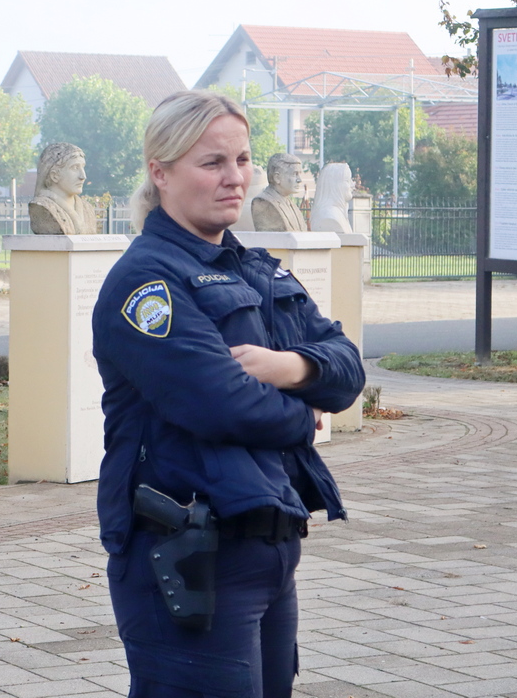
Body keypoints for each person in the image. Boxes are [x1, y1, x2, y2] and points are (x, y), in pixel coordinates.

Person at [92, 90, 364, 698]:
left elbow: (347, 368)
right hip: (188, 556)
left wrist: (289, 365)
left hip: (269, 550)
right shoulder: (146, 282)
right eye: (212, 162)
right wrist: (306, 415)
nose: (234, 177)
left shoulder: (256, 269)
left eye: (242, 160)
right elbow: (221, 404)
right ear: (161, 173)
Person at [28, 142, 100, 234]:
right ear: (54, 176)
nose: (83, 176)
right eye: (75, 168)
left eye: (83, 167)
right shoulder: (41, 207)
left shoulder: (87, 208)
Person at [251, 153, 308, 232]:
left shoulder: (290, 203)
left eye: (299, 174)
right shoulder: (262, 202)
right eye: (295, 174)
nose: (299, 180)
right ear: (277, 178)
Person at [309, 162, 355, 234]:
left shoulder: (339, 214)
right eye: (347, 180)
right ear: (334, 185)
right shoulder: (328, 217)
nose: (352, 184)